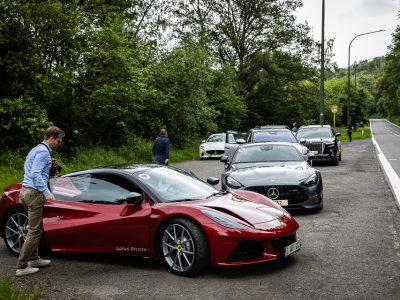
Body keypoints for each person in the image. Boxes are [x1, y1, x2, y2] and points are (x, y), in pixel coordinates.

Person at [16, 126, 65, 276]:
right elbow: (36, 174)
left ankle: (34, 258)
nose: (59, 143)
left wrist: (47, 175)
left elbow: (29, 170)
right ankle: (22, 266)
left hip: (25, 191)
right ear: (50, 138)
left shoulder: (36, 149)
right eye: (58, 140)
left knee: (35, 227)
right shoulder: (44, 153)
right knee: (34, 231)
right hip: (34, 194)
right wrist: (47, 193)